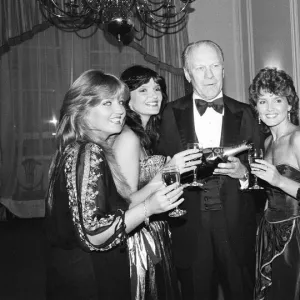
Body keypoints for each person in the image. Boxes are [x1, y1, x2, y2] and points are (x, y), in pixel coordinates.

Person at [45, 69, 185, 300]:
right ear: (80, 108)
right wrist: (149, 207)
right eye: (107, 103)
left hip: (71, 269)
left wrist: (156, 183)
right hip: (89, 274)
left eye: (120, 102)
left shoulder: (72, 149)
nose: (120, 109)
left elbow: (112, 205)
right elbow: (95, 232)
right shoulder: (89, 151)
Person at [155, 40, 263, 300]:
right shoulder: (170, 114)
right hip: (190, 225)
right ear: (187, 74)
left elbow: (261, 175)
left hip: (236, 225)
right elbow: (160, 168)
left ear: (224, 70)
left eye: (215, 66)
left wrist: (244, 174)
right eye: (200, 68)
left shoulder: (246, 113)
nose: (210, 75)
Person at [113, 65, 201, 300]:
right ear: (126, 98)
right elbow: (125, 203)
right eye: (143, 90)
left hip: (155, 231)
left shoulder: (145, 134)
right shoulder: (128, 138)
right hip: (139, 239)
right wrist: (168, 172)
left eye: (157, 88)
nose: (154, 95)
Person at [249, 67, 300, 300]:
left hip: (296, 234)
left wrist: (278, 180)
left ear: (289, 105)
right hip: (269, 231)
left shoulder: (297, 138)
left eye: (277, 99)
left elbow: (279, 183)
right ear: (256, 107)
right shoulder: (267, 141)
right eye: (263, 100)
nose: (270, 108)